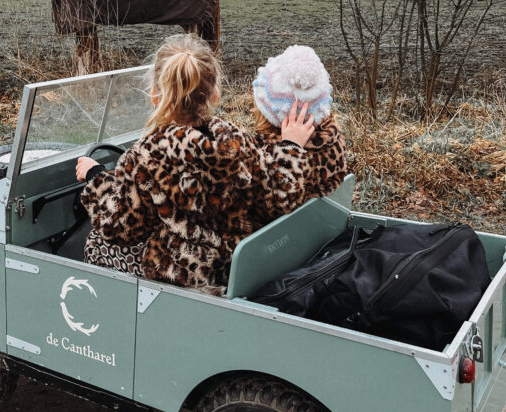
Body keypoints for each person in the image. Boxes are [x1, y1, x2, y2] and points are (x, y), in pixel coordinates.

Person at [76, 34, 317, 292]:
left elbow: (121, 228)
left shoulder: (146, 155)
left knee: (97, 243)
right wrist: (291, 146)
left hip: (182, 277)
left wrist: (96, 178)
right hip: (236, 270)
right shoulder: (236, 140)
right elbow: (279, 199)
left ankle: (115, 313)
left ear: (154, 95)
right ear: (215, 95)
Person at [250, 44, 348, 226]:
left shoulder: (262, 156)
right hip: (322, 234)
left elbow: (274, 206)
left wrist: (290, 148)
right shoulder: (333, 141)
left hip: (280, 242)